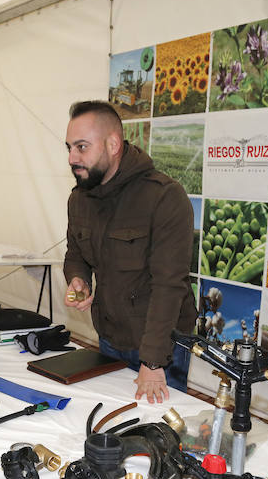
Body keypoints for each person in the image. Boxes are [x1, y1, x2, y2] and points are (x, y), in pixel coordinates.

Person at [63, 100, 196, 405]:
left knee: (160, 427)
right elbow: (75, 253)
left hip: (161, 344)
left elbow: (168, 286)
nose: (72, 158)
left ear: (113, 144)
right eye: (69, 147)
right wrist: (78, 279)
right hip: (110, 335)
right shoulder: (80, 199)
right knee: (115, 419)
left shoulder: (163, 197)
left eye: (81, 147)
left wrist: (152, 362)